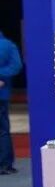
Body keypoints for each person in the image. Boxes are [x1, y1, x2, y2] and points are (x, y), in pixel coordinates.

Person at [0, 28, 23, 175]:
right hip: (2, 94)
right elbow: (16, 66)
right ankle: (5, 164)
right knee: (2, 130)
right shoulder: (8, 45)